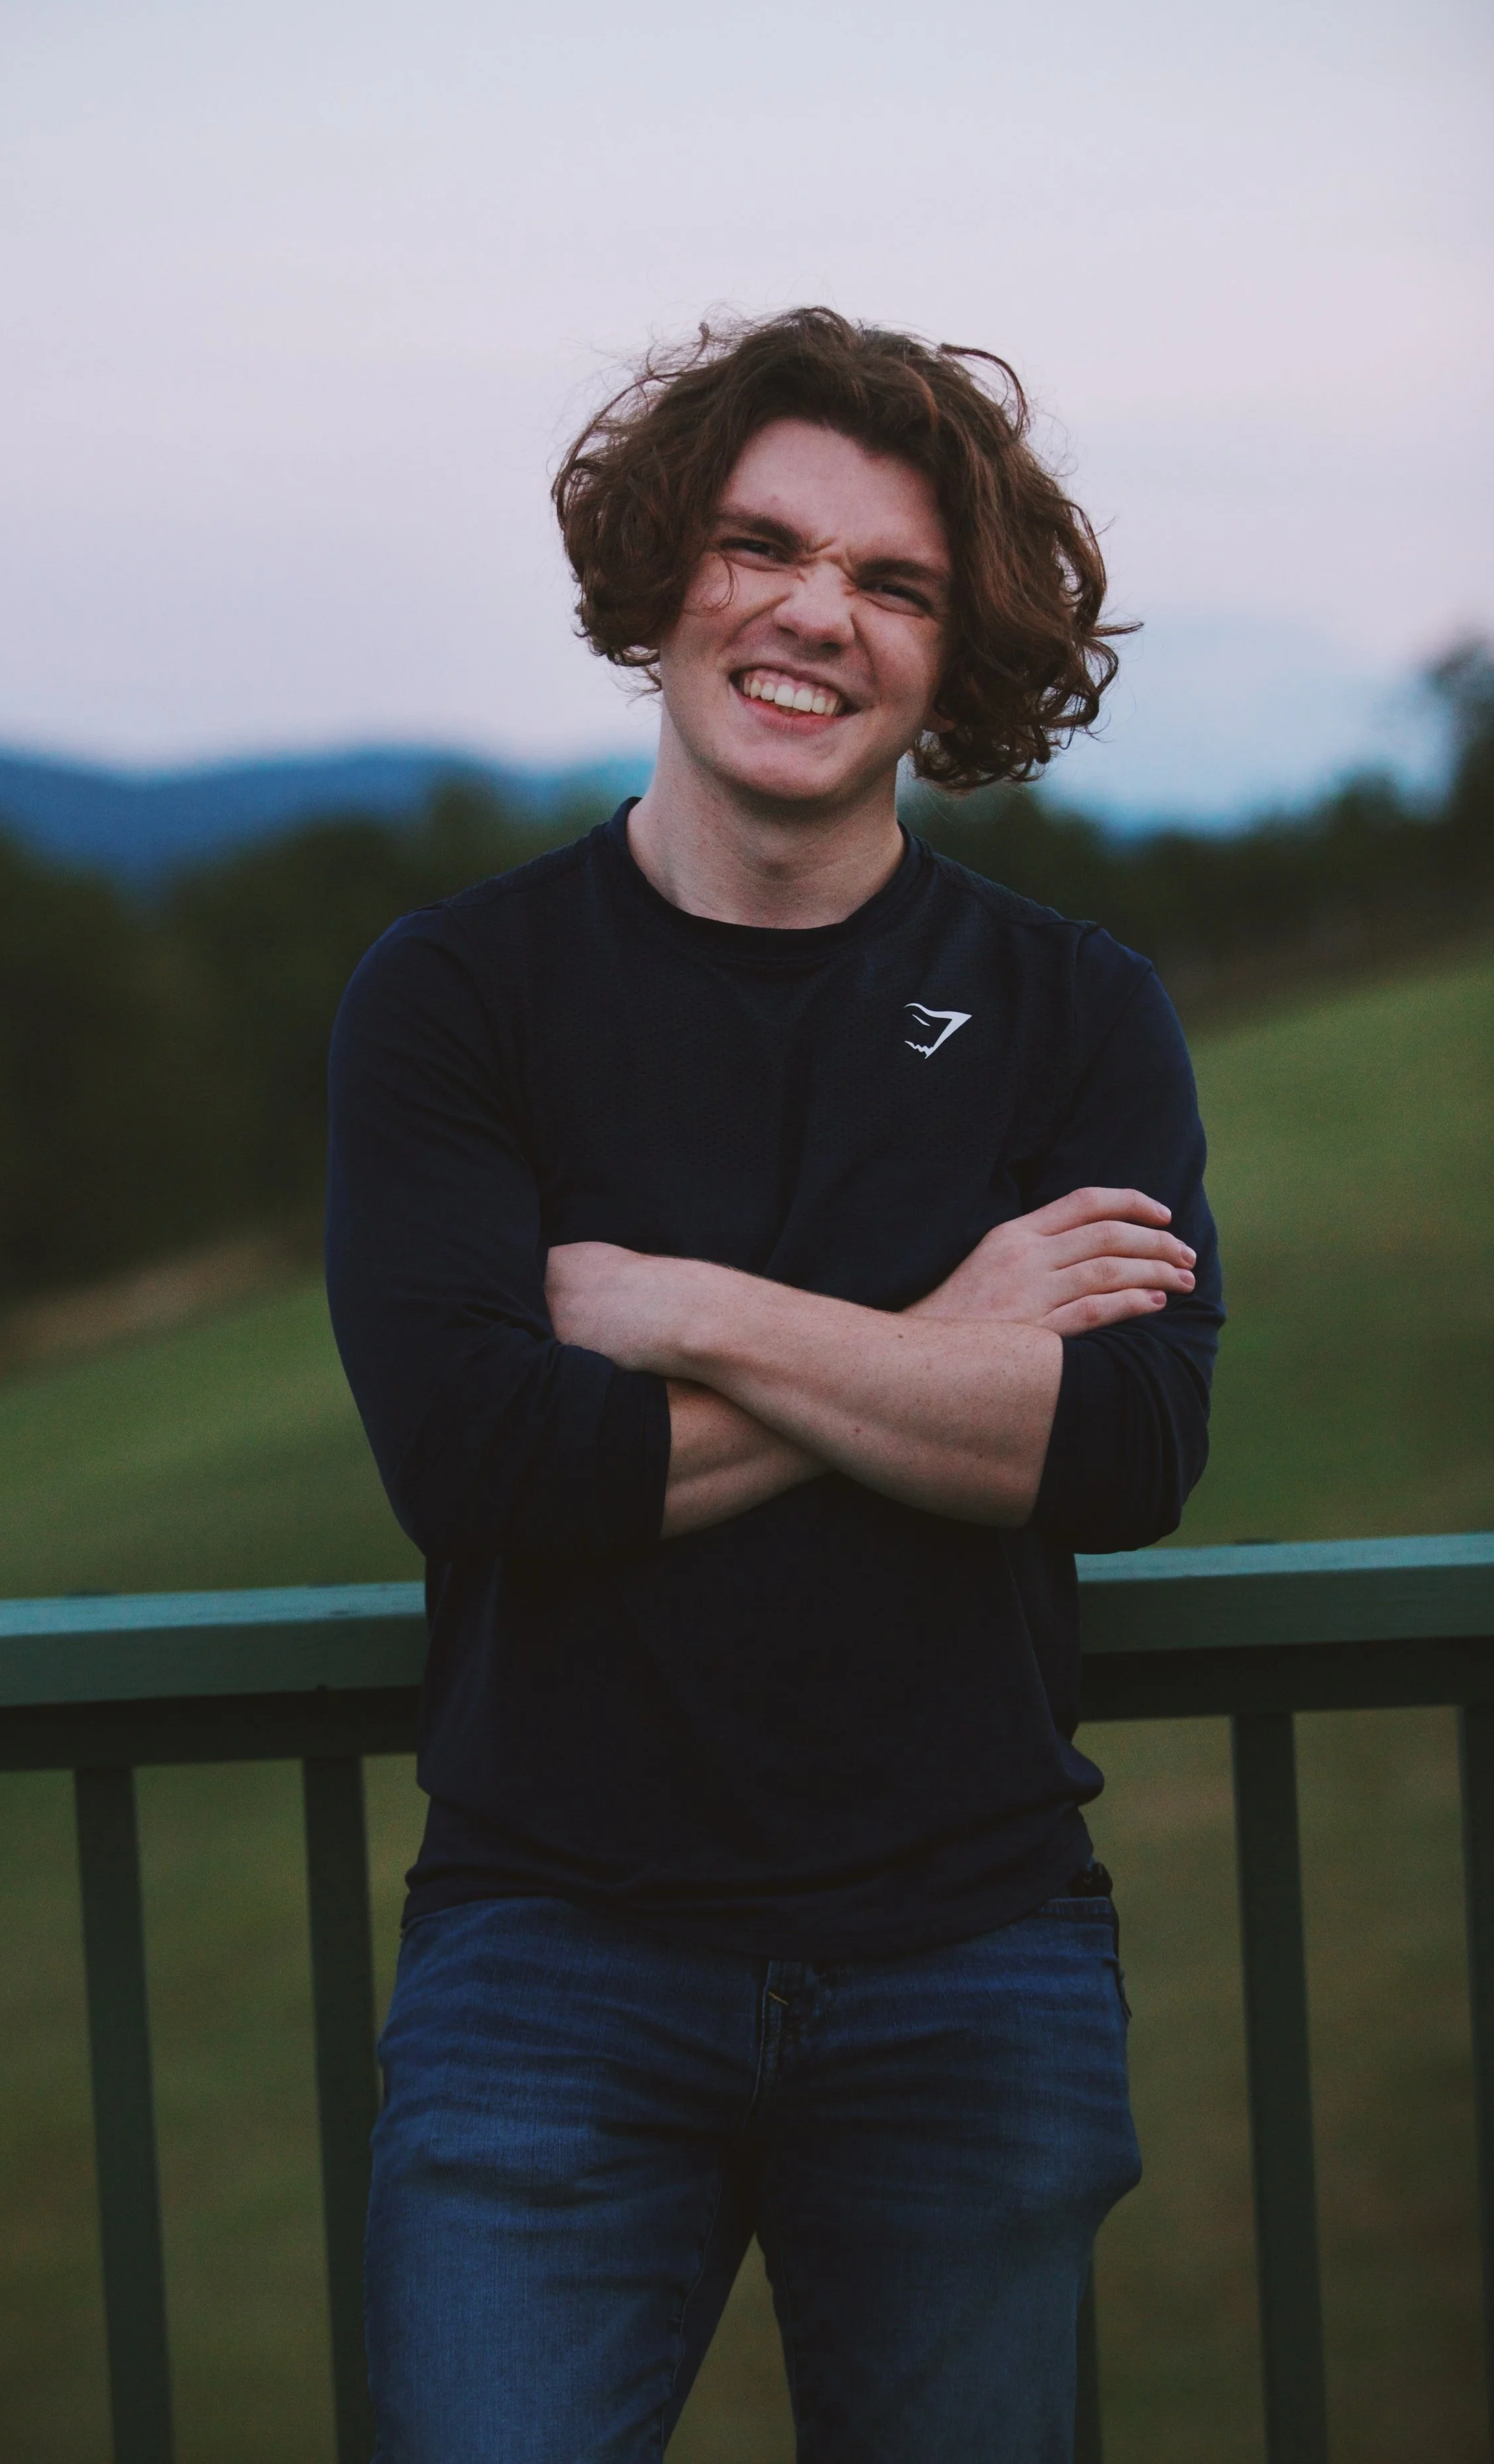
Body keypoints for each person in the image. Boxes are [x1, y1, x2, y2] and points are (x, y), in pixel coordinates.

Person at [326, 308, 1223, 2463]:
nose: (815, 610)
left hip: (968, 1958)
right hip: (549, 1960)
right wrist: (944, 1357)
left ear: (952, 651)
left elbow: (1121, 1445)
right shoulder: (457, 993)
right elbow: (479, 1455)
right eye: (756, 544)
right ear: (661, 580)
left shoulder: (1074, 1010)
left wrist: (679, 1308)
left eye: (894, 581)